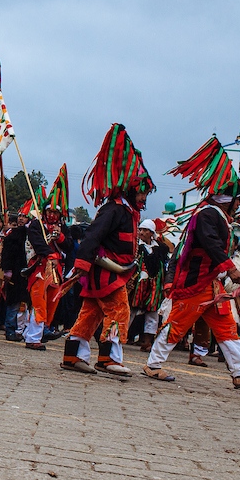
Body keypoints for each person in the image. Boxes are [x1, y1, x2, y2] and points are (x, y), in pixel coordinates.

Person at [143, 137, 240, 388]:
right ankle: (152, 365)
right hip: (195, 282)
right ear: (228, 198)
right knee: (177, 324)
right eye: (238, 199)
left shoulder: (216, 215)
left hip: (211, 283)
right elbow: (210, 244)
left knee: (226, 327)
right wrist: (230, 269)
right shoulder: (208, 214)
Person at [63, 125, 152, 376]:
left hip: (114, 272)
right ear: (132, 188)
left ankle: (73, 355)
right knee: (119, 311)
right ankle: (108, 357)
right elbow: (92, 236)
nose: (145, 197)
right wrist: (81, 264)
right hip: (105, 271)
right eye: (142, 190)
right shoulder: (114, 209)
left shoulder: (128, 211)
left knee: (90, 314)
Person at [23, 165, 70, 352]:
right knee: (38, 301)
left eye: (55, 213)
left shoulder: (62, 228)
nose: (52, 215)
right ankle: (33, 337)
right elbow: (37, 243)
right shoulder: (36, 225)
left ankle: (39, 331)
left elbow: (69, 246)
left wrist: (60, 237)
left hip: (56, 270)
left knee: (52, 301)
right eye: (49, 212)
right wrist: (49, 253)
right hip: (39, 268)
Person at [130, 218, 172, 351]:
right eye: (141, 229)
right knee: (130, 310)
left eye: (145, 230)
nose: (142, 232)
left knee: (152, 313)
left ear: (151, 232)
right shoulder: (136, 246)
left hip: (155, 283)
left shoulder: (161, 248)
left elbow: (166, 264)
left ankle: (147, 342)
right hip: (138, 284)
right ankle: (119, 336)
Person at [0, 211, 30, 341]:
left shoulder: (35, 233)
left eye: (24, 217)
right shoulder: (14, 234)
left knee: (29, 304)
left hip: (30, 272)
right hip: (16, 273)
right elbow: (7, 253)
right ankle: (10, 329)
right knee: (14, 302)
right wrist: (7, 270)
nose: (21, 219)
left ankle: (25, 330)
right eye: (20, 216)